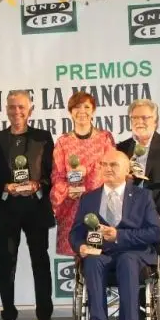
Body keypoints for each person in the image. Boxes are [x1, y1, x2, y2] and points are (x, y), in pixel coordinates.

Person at [69, 150, 160, 320]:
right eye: (104, 164)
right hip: (100, 254)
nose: (107, 168)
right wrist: (81, 246)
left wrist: (119, 235)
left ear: (127, 170)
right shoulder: (89, 198)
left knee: (127, 260)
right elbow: (76, 233)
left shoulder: (143, 196)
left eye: (113, 165)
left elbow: (154, 232)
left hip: (134, 255)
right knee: (92, 261)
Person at [0, 90, 57, 320]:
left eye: (21, 107)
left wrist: (38, 185)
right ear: (6, 110)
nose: (16, 111)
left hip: (36, 210)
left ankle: (45, 318)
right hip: (6, 211)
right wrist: (4, 187)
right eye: (12, 107)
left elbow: (52, 174)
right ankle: (8, 318)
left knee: (41, 264)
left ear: (30, 110)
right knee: (6, 266)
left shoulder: (43, 138)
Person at [116, 99, 160, 320]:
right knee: (134, 271)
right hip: (131, 225)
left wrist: (155, 210)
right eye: (135, 117)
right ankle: (136, 318)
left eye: (145, 117)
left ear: (155, 120)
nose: (140, 121)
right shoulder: (121, 148)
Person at [50, 91, 115, 257]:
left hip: (100, 206)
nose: (82, 111)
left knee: (101, 257)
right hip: (73, 208)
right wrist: (67, 191)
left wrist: (88, 175)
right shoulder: (63, 142)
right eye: (77, 107)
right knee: (79, 255)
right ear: (70, 112)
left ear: (93, 110)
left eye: (86, 107)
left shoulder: (105, 138)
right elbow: (57, 176)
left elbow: (112, 171)